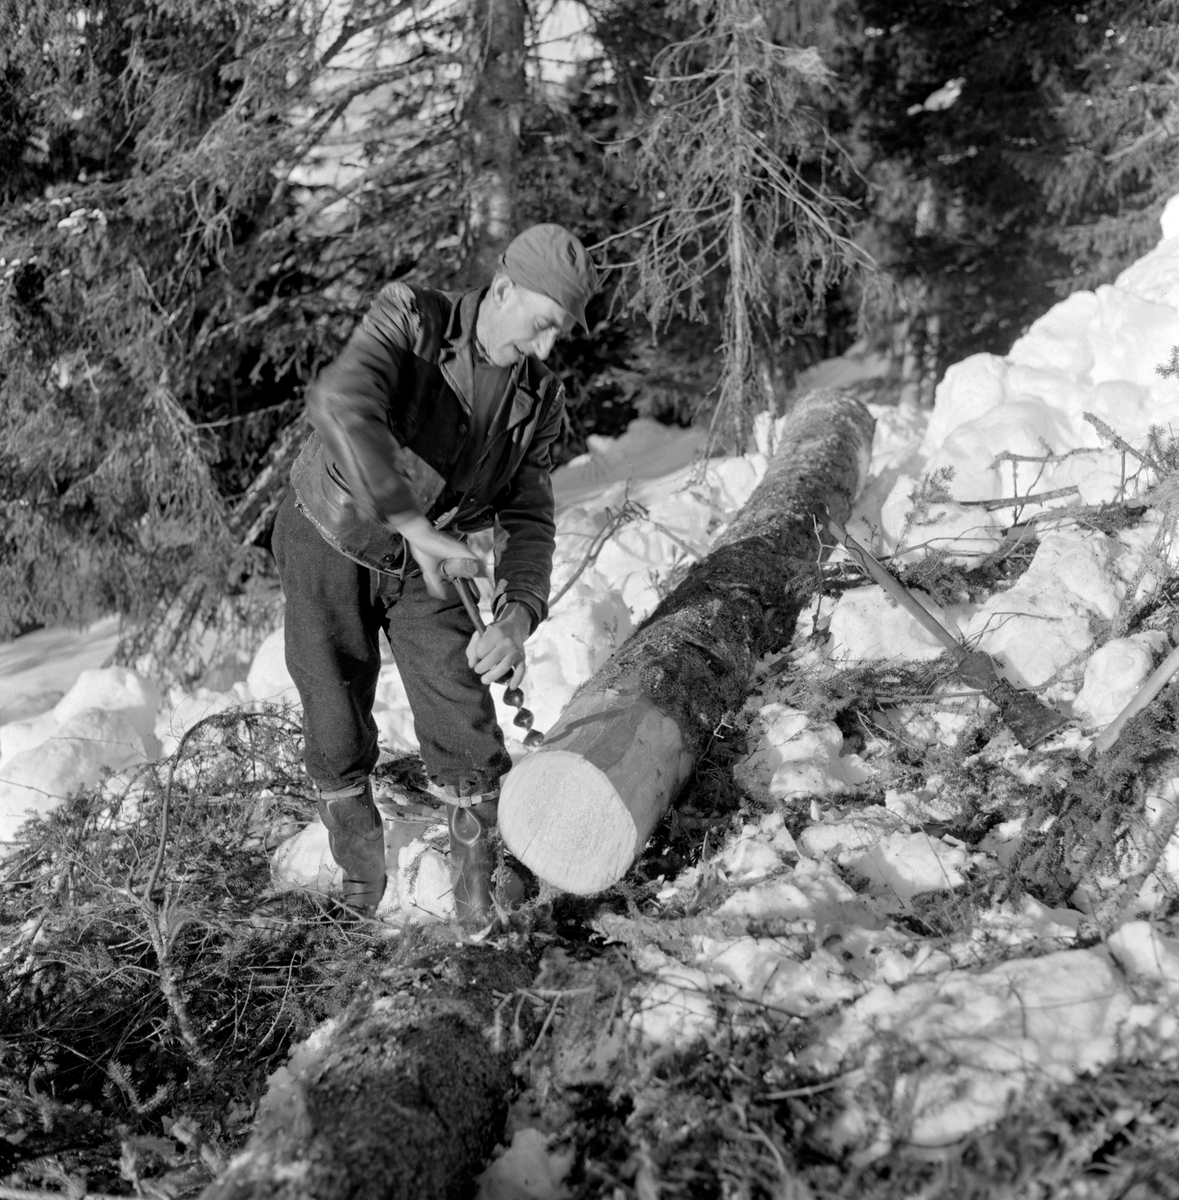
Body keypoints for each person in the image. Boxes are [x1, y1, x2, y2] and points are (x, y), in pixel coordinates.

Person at [272, 224, 597, 919]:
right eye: (538, 325)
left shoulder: (536, 399)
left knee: (464, 714)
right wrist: (412, 524)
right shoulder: (412, 318)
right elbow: (342, 406)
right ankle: (362, 884)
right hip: (330, 532)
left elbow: (529, 518)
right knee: (334, 715)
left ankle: (477, 899)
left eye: (556, 335)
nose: (542, 349)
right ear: (504, 289)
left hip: (431, 553)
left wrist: (517, 615)